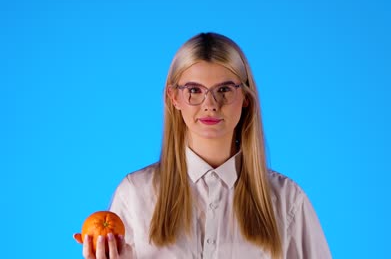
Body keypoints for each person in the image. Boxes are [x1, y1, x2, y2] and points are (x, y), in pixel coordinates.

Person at [74, 32, 332, 259]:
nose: (210, 104)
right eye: (194, 90)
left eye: (224, 90)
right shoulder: (136, 194)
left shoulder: (287, 201)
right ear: (174, 97)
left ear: (244, 96)